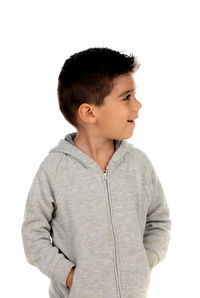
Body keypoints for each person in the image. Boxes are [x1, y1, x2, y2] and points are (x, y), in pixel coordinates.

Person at [21, 47, 172, 298]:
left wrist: (141, 264)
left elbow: (159, 221)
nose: (138, 104)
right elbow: (33, 233)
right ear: (89, 112)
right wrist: (70, 276)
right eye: (126, 97)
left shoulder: (138, 164)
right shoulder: (55, 169)